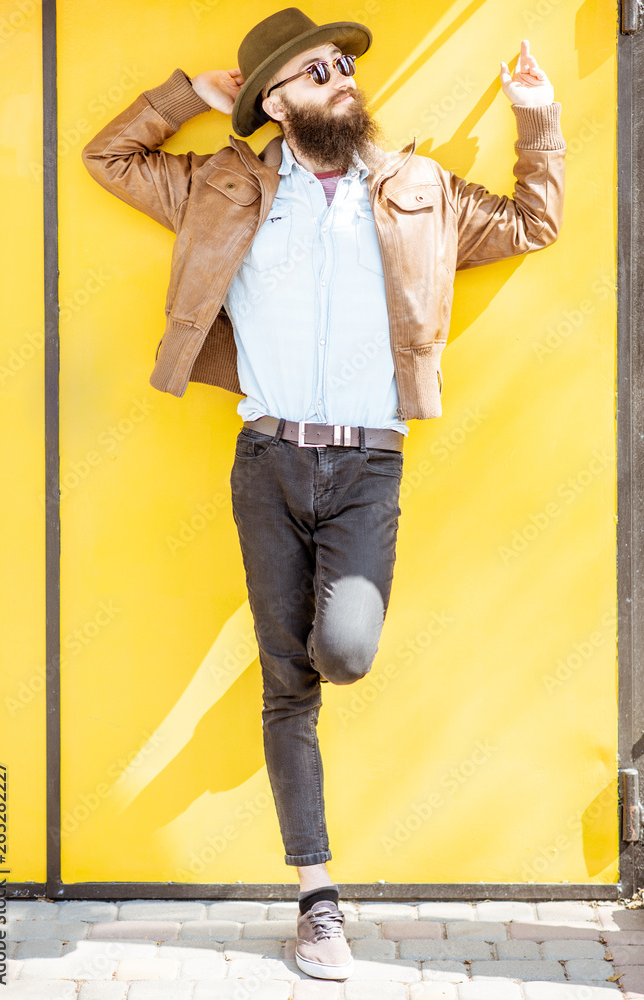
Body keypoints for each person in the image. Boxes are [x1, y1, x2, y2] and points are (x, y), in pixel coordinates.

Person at [81, 6, 566, 981]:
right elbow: (111, 158)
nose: (337, 81)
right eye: (310, 73)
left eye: (339, 66)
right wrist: (188, 96)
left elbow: (533, 222)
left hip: (365, 467)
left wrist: (536, 116)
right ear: (272, 103)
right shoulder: (225, 188)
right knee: (286, 686)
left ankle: (311, 665)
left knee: (341, 651)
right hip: (263, 461)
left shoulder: (418, 188)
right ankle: (318, 900)